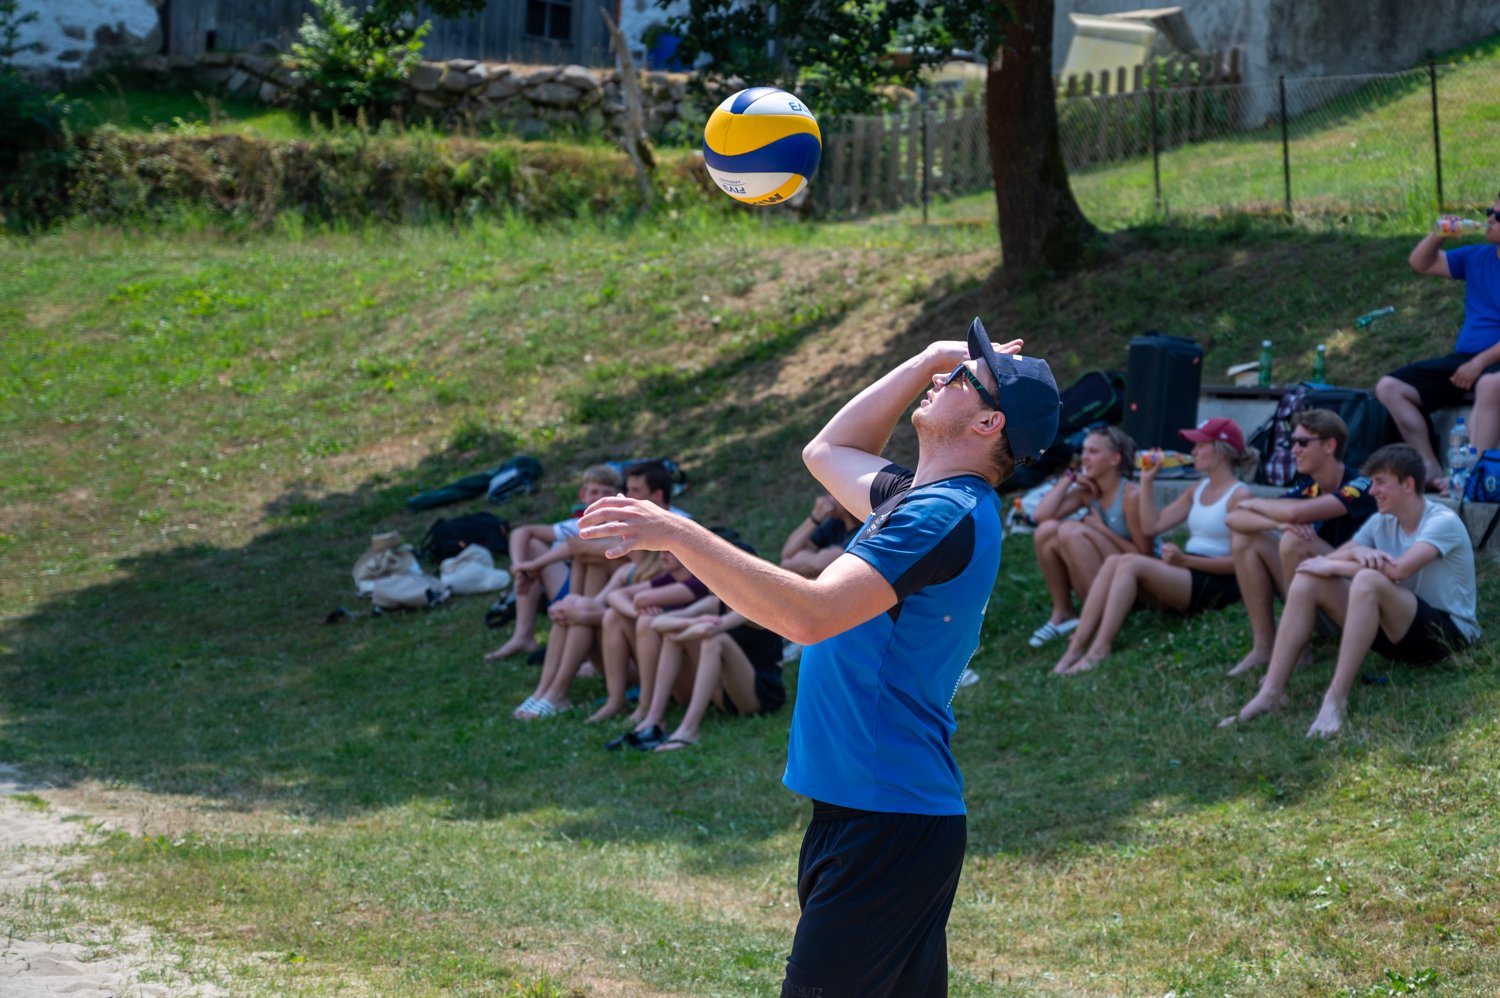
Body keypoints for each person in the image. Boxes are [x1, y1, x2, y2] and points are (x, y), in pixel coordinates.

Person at [577, 317, 1060, 996]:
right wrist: (923, 357)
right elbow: (829, 449)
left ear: (988, 423)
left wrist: (679, 533)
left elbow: (808, 615)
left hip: (885, 822)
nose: (941, 378)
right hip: (878, 816)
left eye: (960, 378)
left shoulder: (937, 516)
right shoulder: (919, 501)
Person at [1221, 444, 1480, 737]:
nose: (1372, 491)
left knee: (1368, 579)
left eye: (1380, 482)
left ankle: (1335, 699)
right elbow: (1335, 557)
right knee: (1307, 579)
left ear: (1408, 485)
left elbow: (1398, 570)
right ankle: (1271, 693)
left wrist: (1337, 565)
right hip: (1400, 631)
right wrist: (1354, 554)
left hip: (1448, 637)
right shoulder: (1382, 520)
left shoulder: (1442, 521)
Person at [1053, 418, 1256, 676]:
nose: (1193, 451)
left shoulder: (1240, 495)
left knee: (1128, 562)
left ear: (1221, 451)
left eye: (1200, 445)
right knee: (1115, 561)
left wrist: (1186, 561)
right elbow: (1152, 526)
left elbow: (1240, 563)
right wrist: (1147, 482)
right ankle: (1075, 648)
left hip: (1217, 582)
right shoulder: (1198, 489)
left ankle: (1099, 649)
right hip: (1188, 571)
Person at [1223, 409, 1377, 676]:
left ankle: (1297, 649)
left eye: (1303, 442)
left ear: (1329, 445)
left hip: (1356, 601)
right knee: (1247, 538)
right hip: (1316, 588)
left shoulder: (1362, 483)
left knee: (1294, 540)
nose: (1294, 450)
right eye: (1293, 442)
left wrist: (1253, 503)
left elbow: (1295, 514)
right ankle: (1264, 647)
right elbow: (1234, 518)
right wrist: (1276, 524)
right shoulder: (1308, 488)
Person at [1375, 199, 1500, 488]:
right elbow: (1421, 262)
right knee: (1390, 387)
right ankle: (1429, 466)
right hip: (1465, 358)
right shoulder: (1476, 255)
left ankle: (1473, 477)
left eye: (1499, 215)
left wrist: (1479, 363)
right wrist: (1439, 234)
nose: (1491, 218)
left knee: (1488, 384)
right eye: (1489, 212)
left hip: (1488, 363)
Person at [1027, 425, 1151, 648]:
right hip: (1106, 573)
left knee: (1070, 531)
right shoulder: (1088, 492)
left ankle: (1099, 614)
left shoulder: (1130, 495)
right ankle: (1064, 612)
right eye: (1083, 451)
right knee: (1047, 531)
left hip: (1135, 586)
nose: (1084, 457)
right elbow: (1041, 516)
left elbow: (1145, 556)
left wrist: (1099, 529)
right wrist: (1069, 479)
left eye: (1093, 452)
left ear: (1115, 459)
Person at [486, 464, 622, 661]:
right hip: (573, 587)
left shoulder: (621, 523)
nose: (599, 498)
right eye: (594, 492)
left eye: (606, 493)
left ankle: (586, 645)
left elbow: (578, 546)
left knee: (588, 556)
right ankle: (523, 635)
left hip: (603, 594)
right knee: (531, 544)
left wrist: (535, 565)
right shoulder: (577, 524)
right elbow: (521, 532)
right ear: (583, 495)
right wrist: (518, 568)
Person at [780, 493, 861, 578]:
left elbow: (819, 564)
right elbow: (787, 553)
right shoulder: (836, 523)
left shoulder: (864, 531)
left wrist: (788, 564)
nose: (825, 499)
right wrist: (815, 518)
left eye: (832, 494)